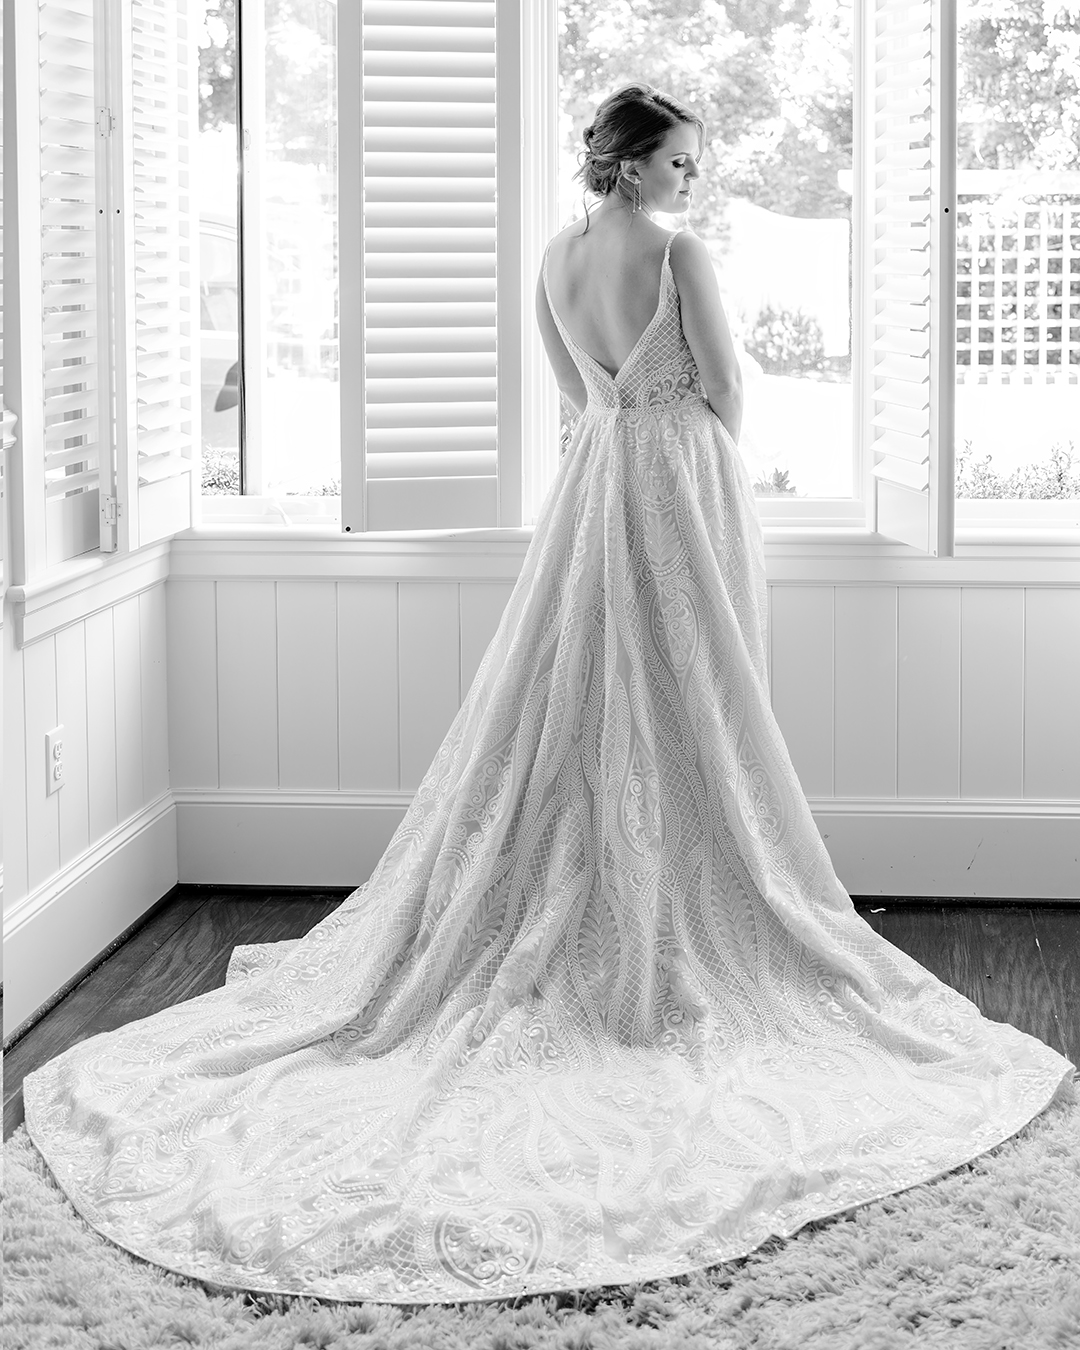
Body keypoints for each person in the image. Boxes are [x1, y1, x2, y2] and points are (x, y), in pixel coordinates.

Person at [24, 83, 1074, 1307]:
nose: (696, 179)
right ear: (630, 168)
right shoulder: (679, 253)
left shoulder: (554, 258)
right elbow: (730, 389)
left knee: (586, 699)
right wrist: (682, 426)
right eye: (681, 160)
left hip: (595, 484)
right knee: (696, 700)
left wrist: (625, 421)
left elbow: (576, 398)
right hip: (680, 480)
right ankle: (665, 898)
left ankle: (611, 882)